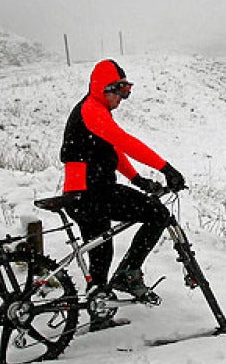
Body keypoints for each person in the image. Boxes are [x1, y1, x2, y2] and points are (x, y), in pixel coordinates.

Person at [59, 59, 185, 329]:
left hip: (80, 194)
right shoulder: (91, 110)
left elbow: (112, 152)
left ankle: (99, 311)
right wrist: (166, 168)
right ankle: (129, 273)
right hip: (91, 191)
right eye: (119, 92)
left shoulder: (95, 111)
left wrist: (138, 180)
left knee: (101, 249)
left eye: (125, 92)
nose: (122, 99)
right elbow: (124, 142)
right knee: (157, 214)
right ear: (104, 88)